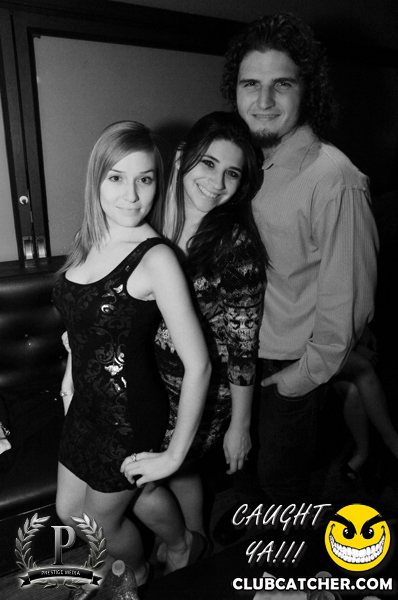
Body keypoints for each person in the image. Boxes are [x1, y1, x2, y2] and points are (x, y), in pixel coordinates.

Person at [219, 13, 379, 504]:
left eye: (282, 84)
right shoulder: (242, 162)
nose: (264, 101)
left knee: (281, 486)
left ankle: (283, 551)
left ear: (307, 90)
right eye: (251, 84)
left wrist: (298, 379)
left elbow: (349, 300)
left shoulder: (335, 179)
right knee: (241, 472)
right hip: (237, 354)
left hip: (288, 363)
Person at [52, 120, 211, 599]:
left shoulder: (156, 258)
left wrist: (174, 455)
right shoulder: (89, 238)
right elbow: (79, 326)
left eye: (145, 179)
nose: (131, 195)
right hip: (85, 405)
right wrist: (69, 377)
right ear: (96, 180)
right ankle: (184, 543)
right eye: (116, 178)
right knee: (69, 512)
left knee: (101, 520)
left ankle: (133, 576)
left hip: (128, 415)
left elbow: (200, 364)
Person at [130, 111, 267, 547]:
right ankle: (197, 541)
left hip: (204, 392)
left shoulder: (234, 247)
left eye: (232, 173)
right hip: (151, 379)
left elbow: (243, 347)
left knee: (138, 480)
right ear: (183, 157)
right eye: (208, 163)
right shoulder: (152, 220)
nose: (217, 183)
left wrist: (240, 426)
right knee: (181, 470)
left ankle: (180, 546)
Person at [332, 326, 398, 481]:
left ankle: (363, 453)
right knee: (363, 368)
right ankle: (393, 442)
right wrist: (354, 349)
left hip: (342, 344)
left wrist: (363, 329)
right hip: (311, 348)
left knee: (354, 391)